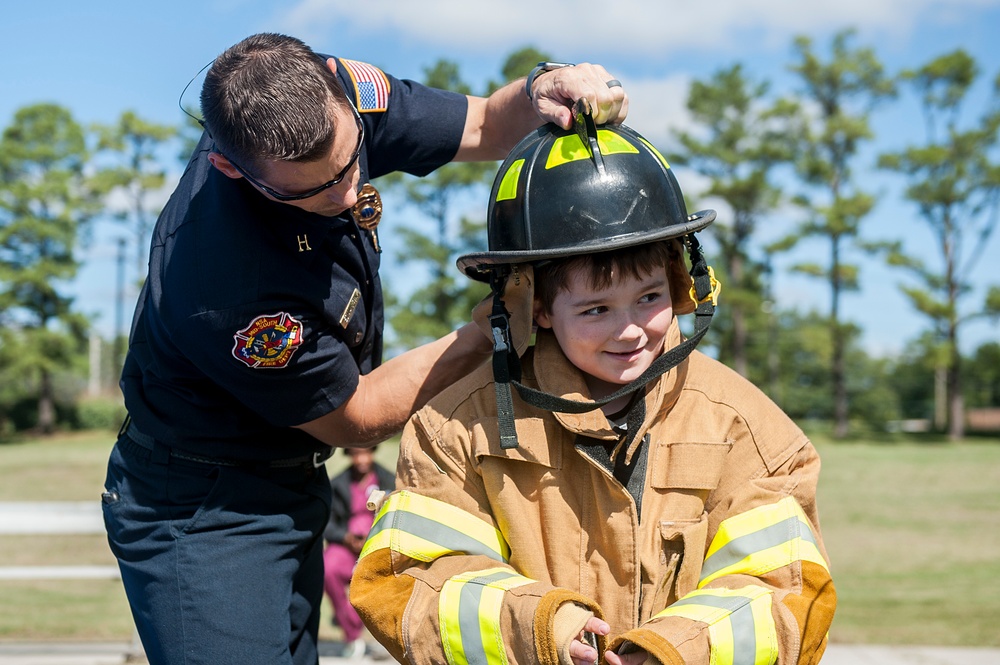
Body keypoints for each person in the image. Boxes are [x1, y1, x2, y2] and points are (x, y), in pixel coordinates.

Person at [100, 32, 629, 665]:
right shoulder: (226, 286)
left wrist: (543, 90)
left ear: (336, 84)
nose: (349, 195)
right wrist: (486, 332)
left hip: (291, 474)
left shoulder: (338, 96)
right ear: (230, 168)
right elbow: (352, 416)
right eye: (312, 193)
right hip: (205, 506)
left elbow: (488, 122)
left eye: (353, 163)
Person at [350, 117, 837, 665]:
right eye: (596, 309)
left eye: (649, 297)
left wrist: (671, 651)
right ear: (535, 306)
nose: (629, 330)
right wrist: (542, 630)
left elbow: (784, 591)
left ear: (680, 285)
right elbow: (412, 583)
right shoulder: (454, 429)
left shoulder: (748, 429)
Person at [323, 446, 394, 658]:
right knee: (329, 568)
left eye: (366, 452)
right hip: (346, 543)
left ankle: (385, 635)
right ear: (350, 456)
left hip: (377, 544)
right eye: (357, 454)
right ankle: (352, 634)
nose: (362, 459)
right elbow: (328, 522)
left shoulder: (388, 480)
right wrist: (345, 537)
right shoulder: (338, 484)